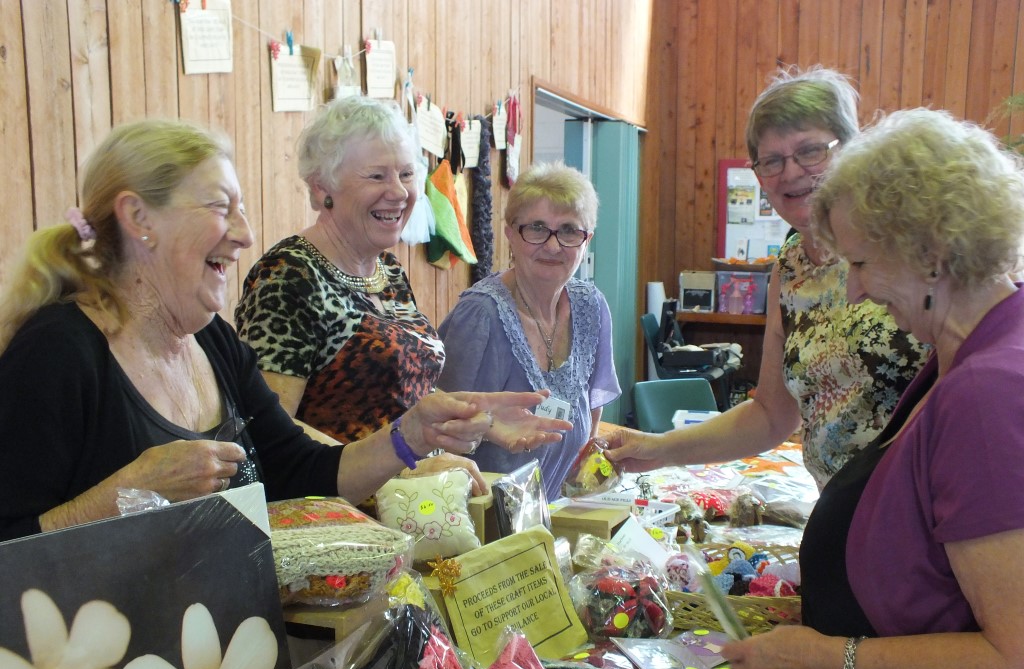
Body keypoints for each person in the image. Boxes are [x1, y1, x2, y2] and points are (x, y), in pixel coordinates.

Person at [0, 119, 571, 543]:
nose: (246, 234)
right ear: (139, 219)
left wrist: (411, 435)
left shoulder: (215, 345)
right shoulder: (58, 352)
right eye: (222, 208)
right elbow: (11, 540)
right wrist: (131, 493)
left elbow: (302, 471)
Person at [722, 108, 1024, 669]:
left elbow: (1014, 662)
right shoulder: (963, 355)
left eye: (862, 261)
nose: (854, 290)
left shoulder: (986, 391)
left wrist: (830, 657)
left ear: (932, 251)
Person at [606, 67, 926, 490]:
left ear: (852, 148)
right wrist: (660, 448)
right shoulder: (790, 267)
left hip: (928, 515)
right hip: (842, 518)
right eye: (772, 160)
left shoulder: (909, 246)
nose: (791, 173)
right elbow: (771, 414)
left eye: (811, 151)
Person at [235, 96, 444, 444]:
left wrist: (480, 415)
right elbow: (269, 428)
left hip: (413, 494)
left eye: (407, 174)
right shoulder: (289, 275)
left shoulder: (388, 270)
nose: (398, 192)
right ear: (322, 187)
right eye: (376, 176)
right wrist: (400, 462)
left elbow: (404, 394)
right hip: (337, 496)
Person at [437, 162, 620, 499]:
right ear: (509, 232)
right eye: (536, 228)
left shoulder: (590, 306)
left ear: (587, 240)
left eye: (568, 231)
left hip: (559, 510)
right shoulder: (480, 316)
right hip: (482, 518)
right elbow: (441, 433)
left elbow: (593, 403)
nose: (552, 246)